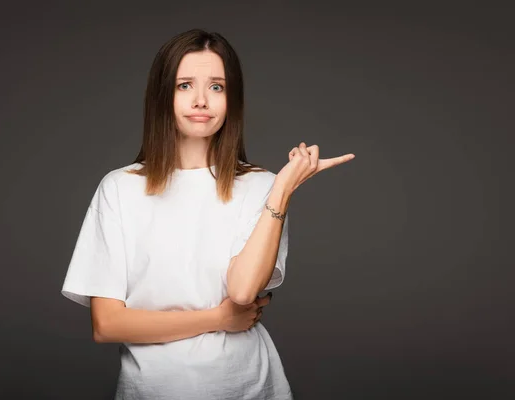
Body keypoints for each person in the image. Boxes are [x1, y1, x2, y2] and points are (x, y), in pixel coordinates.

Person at [61, 28, 354, 400]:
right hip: (152, 390)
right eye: (185, 85)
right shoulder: (120, 188)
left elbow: (243, 290)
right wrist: (217, 319)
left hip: (247, 386)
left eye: (216, 87)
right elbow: (106, 324)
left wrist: (282, 188)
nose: (201, 100)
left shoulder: (263, 186)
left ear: (232, 99)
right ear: (162, 95)